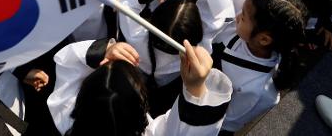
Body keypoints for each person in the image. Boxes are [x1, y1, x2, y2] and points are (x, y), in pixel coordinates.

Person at [47, 39, 233, 136]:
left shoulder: (65, 116)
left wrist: (104, 49)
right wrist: (196, 89)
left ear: (82, 98)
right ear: (141, 101)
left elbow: (67, 66)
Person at [213, 0, 307, 133]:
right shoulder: (243, 33)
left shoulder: (259, 91)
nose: (237, 16)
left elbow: (226, 122)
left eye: (243, 17)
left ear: (264, 39)